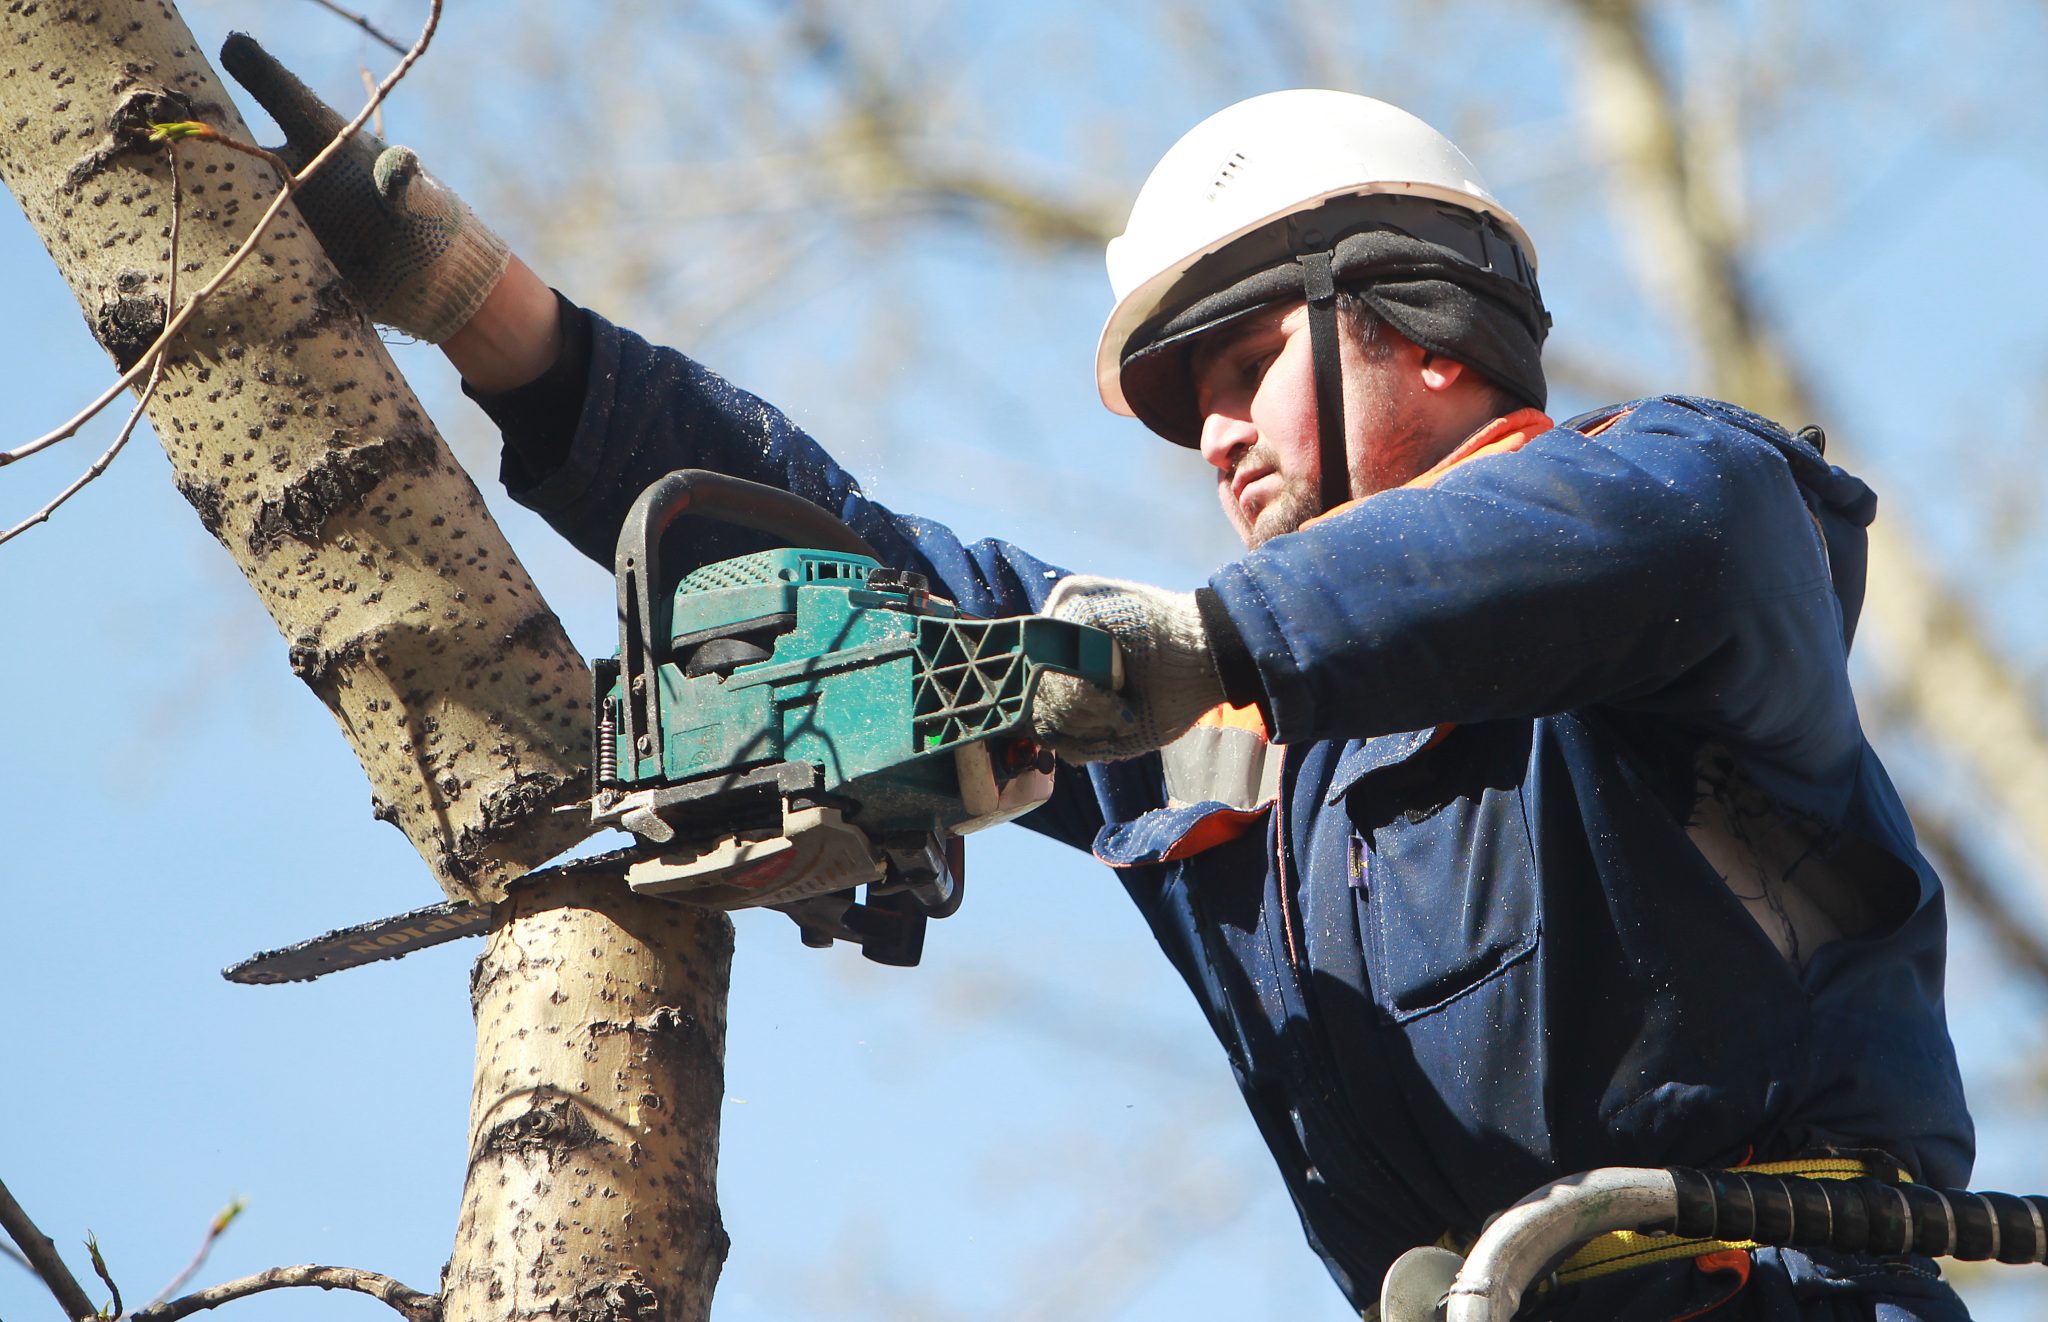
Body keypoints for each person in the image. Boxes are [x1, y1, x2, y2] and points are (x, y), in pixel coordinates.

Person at [223, 38, 1975, 1320]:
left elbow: (1674, 522)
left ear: (1418, 322)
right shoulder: (1232, 759)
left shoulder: (1684, 523)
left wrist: (1190, 644)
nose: (1212, 438)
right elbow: (881, 572)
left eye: (1237, 367)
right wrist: (483, 314)